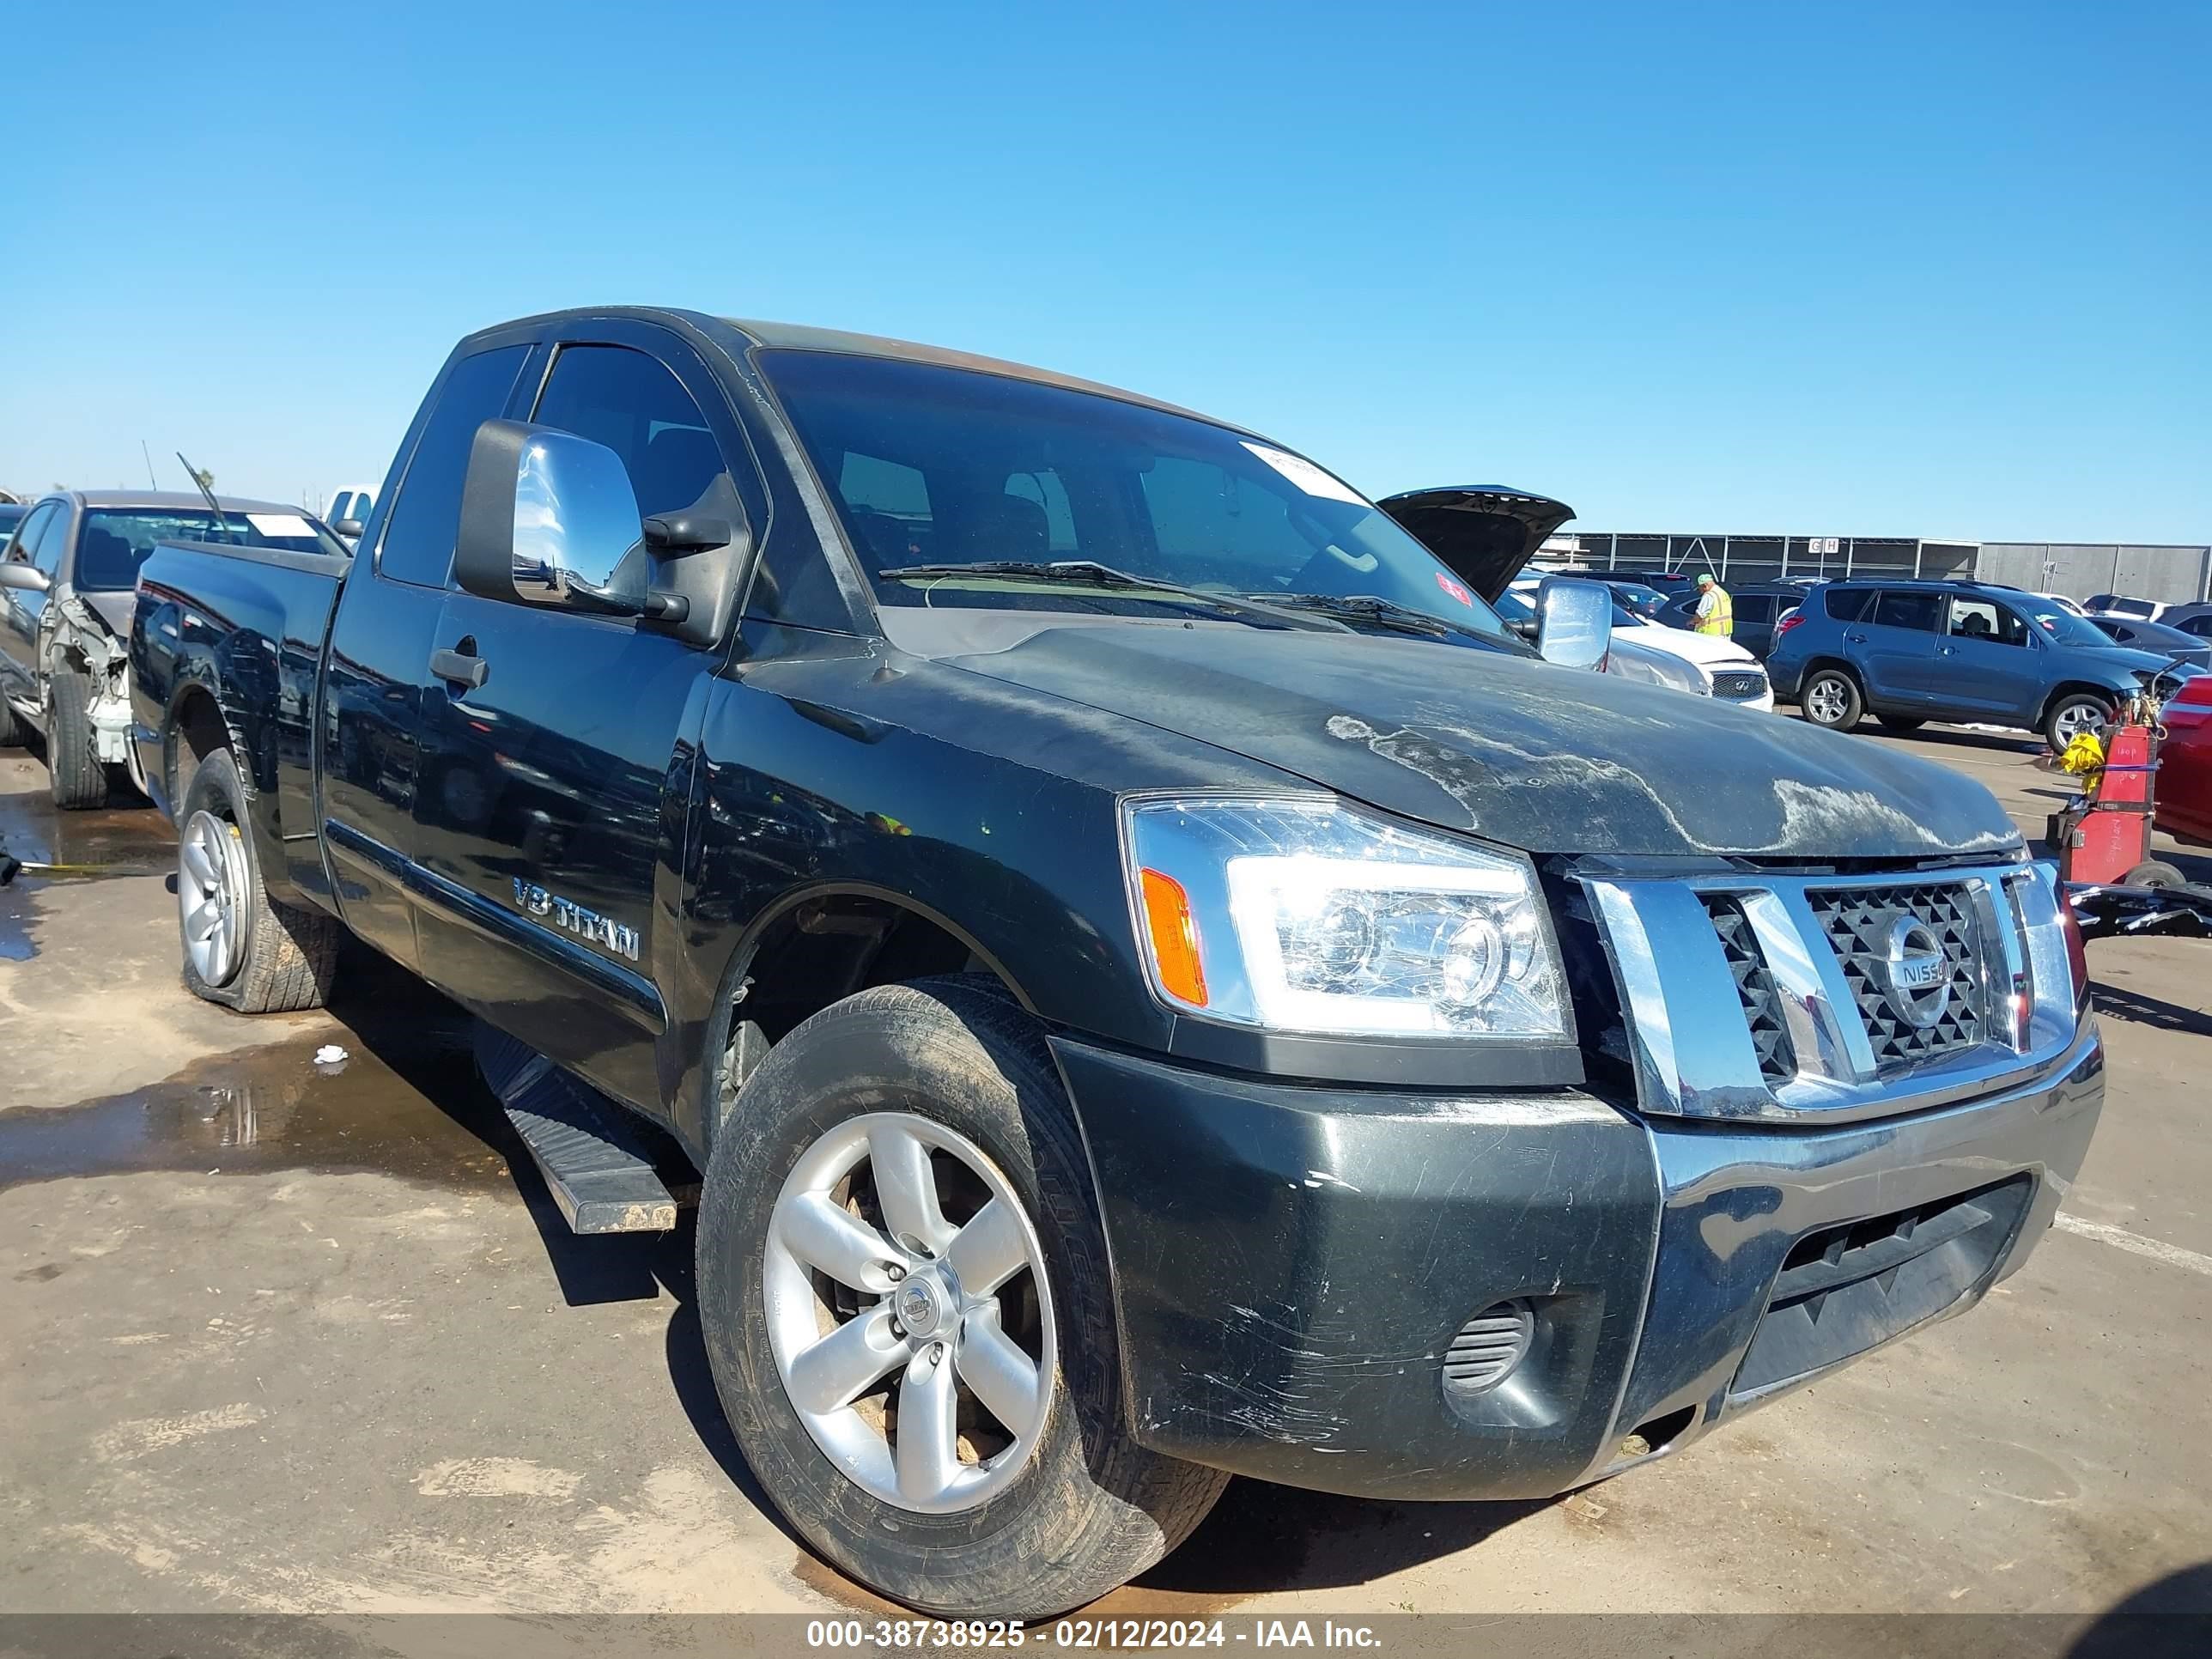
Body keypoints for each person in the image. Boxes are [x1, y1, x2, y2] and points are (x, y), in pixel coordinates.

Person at [1693, 572, 1734, 637]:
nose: (1700, 591)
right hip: (1725, 632)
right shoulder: (1723, 593)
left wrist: (1692, 622)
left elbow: (1700, 615)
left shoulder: (1709, 595)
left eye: (1699, 588)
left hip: (1711, 634)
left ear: (1705, 586)